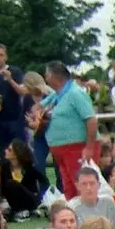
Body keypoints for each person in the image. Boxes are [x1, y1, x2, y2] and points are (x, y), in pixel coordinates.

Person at [42, 61, 98, 195]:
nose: (45, 78)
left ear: (53, 76)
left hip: (77, 148)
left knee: (82, 187)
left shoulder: (75, 93)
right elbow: (37, 108)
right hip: (62, 150)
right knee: (70, 189)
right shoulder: (57, 95)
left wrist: (89, 147)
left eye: (46, 75)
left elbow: (91, 119)